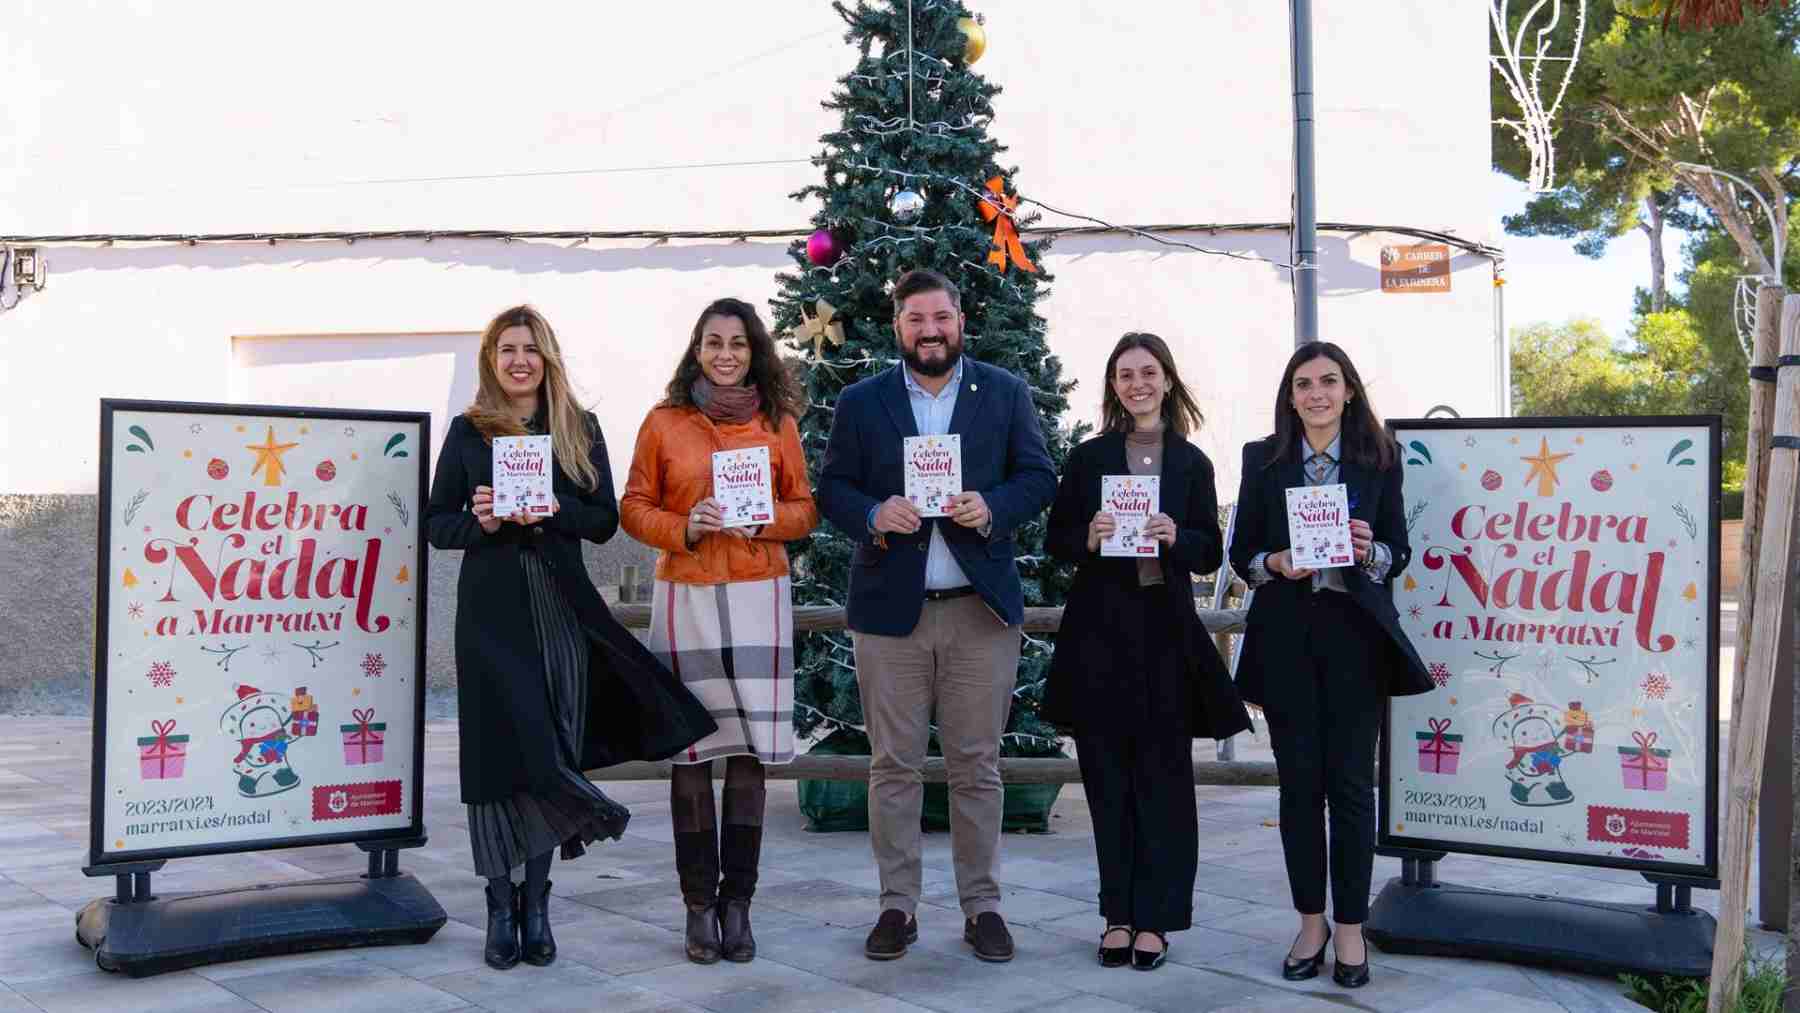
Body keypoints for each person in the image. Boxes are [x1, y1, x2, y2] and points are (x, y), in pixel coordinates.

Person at [425, 305, 715, 971]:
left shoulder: (576, 428)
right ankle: (501, 903)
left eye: (529, 348)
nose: (519, 360)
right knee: (495, 757)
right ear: (491, 361)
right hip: (489, 613)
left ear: (547, 356)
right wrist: (483, 522)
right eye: (506, 350)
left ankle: (537, 903)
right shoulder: (470, 431)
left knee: (547, 743)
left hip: (559, 609)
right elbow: (437, 523)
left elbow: (604, 520)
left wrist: (554, 507)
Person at [816, 268, 1056, 963]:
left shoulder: (1003, 393)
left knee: (977, 766)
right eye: (916, 319)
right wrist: (869, 512)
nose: (930, 330)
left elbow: (1038, 475)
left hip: (979, 611)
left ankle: (982, 907)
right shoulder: (864, 401)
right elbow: (832, 484)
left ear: (960, 321)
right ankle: (898, 905)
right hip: (891, 614)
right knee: (892, 765)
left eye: (941, 317)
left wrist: (994, 507)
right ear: (898, 325)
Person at [1226, 340, 1433, 989]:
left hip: (1355, 637)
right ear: (1290, 396)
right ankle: (1309, 921)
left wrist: (1371, 551)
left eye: (1328, 381)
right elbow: (1242, 555)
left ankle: (1350, 927)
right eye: (1304, 383)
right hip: (1287, 636)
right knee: (1299, 789)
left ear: (1348, 391)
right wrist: (1277, 563)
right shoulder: (1262, 459)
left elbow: (1400, 551)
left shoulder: (1379, 458)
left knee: (1349, 788)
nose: (1316, 393)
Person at [1043, 332, 1252, 971]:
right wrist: (1089, 533)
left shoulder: (1191, 463)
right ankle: (1118, 915)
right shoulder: (1087, 459)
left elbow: (1210, 551)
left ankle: (1158, 920)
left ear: (1167, 381)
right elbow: (1056, 543)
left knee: (1164, 782)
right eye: (1125, 374)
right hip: (1099, 633)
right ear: (1112, 385)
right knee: (1107, 781)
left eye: (1148, 372)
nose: (1137, 383)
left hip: (1165, 636)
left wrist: (1175, 535)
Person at [620, 297, 818, 965]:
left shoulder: (777, 421)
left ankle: (740, 905)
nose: (726, 353)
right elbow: (634, 505)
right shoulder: (664, 422)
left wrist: (762, 520)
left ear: (754, 349)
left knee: (748, 757)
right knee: (691, 753)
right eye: (714, 342)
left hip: (760, 593)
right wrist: (684, 527)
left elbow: (805, 507)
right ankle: (697, 906)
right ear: (696, 349)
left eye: (738, 342)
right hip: (690, 595)